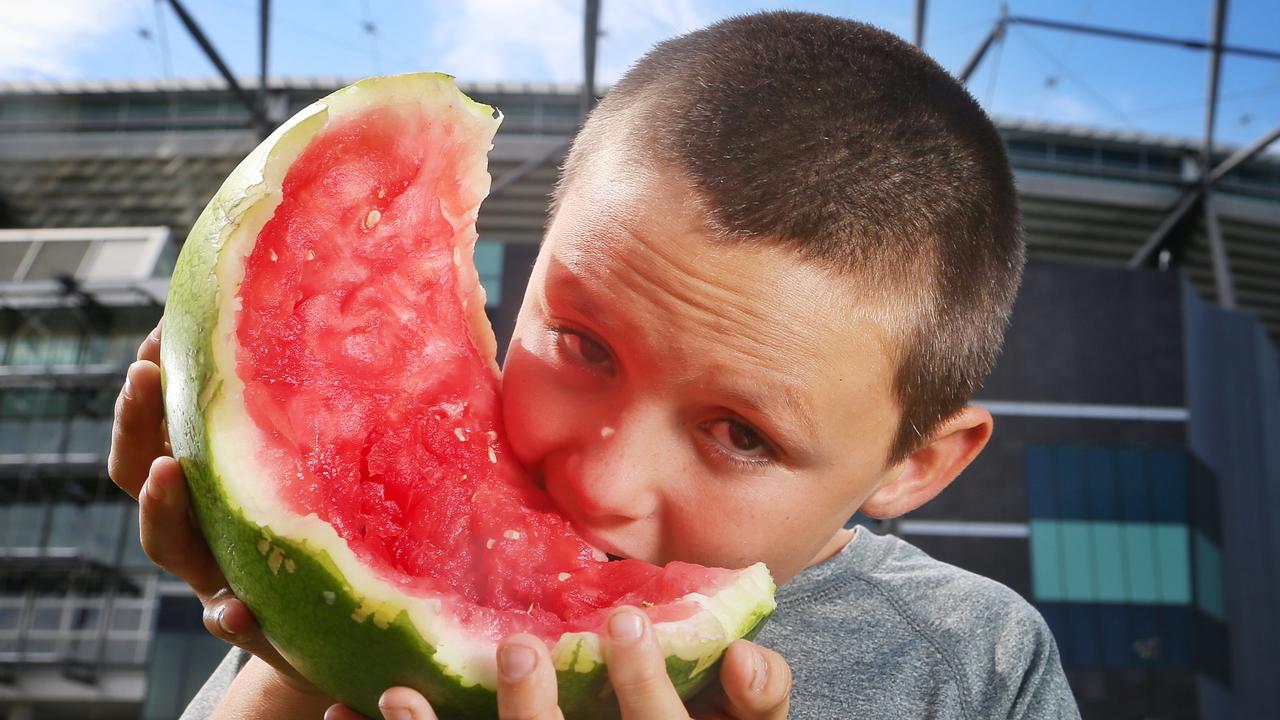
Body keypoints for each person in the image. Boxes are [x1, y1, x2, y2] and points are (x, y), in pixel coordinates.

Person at [109, 11, 1080, 720]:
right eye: (581, 345)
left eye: (739, 435)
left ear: (915, 462)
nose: (599, 479)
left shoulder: (972, 663)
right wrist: (303, 650)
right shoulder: (333, 607)